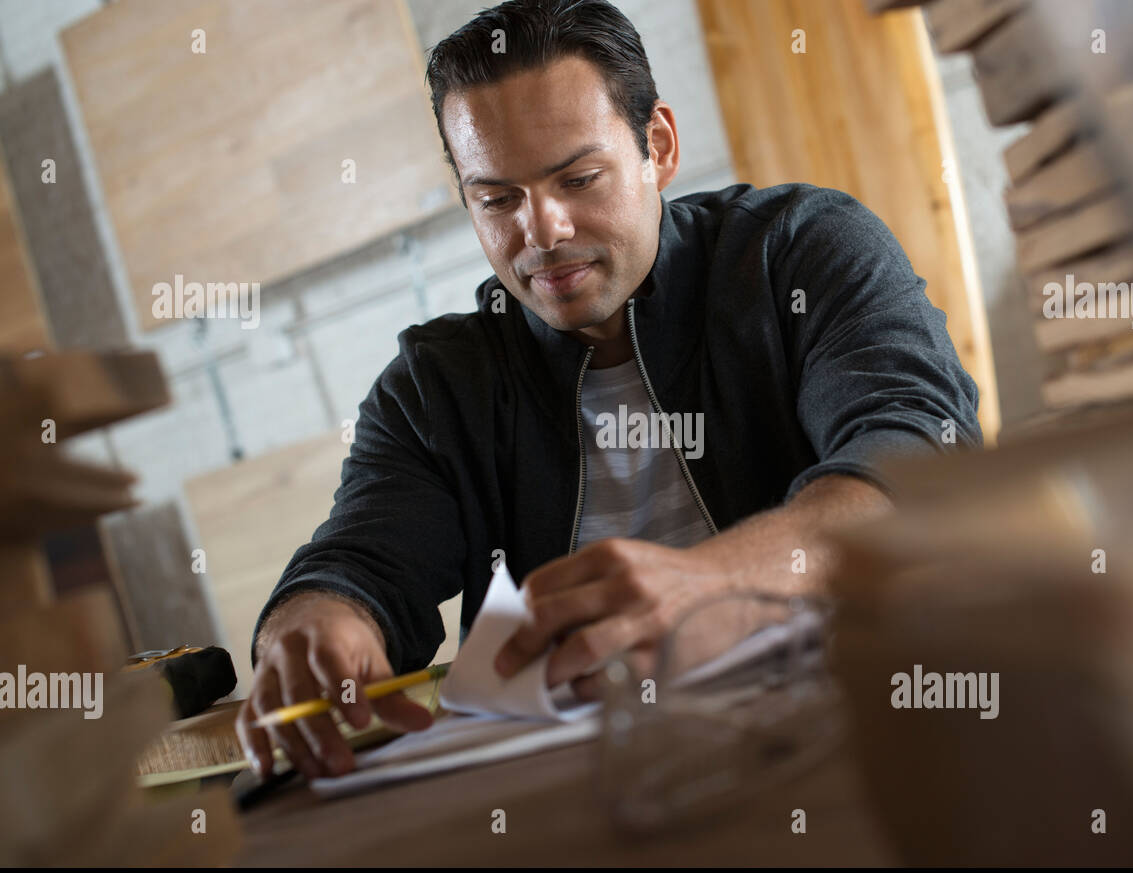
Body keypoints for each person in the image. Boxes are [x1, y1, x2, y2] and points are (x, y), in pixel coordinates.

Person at [235, 0, 982, 780]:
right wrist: (318, 619)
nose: (543, 230)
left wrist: (718, 584)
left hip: (863, 733)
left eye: (578, 177)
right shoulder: (437, 386)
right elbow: (361, 560)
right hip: (602, 787)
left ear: (656, 146)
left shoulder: (799, 252)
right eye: (497, 199)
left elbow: (918, 453)